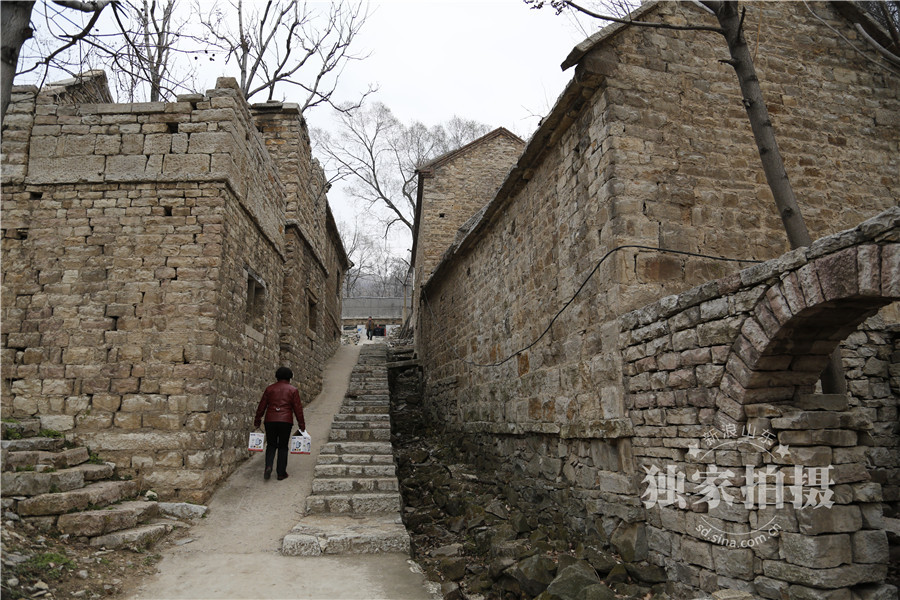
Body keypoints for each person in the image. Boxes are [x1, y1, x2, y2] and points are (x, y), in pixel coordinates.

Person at [254, 366, 305, 481]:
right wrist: (301, 425)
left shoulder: (269, 389)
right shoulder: (293, 390)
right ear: (290, 377)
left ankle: (268, 466)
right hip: (285, 421)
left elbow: (261, 406)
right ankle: (281, 473)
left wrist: (257, 420)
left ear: (277, 376)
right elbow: (298, 409)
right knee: (283, 446)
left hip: (270, 420)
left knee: (271, 445)